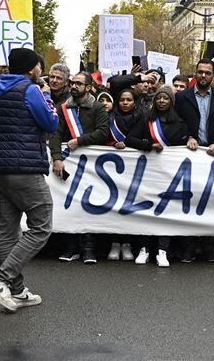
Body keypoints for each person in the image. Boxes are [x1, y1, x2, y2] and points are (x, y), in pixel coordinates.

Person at [0, 48, 58, 312]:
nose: (41, 70)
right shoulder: (32, 89)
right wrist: (47, 96)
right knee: (42, 225)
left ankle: (16, 290)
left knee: (9, 230)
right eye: (38, 65)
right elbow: (50, 123)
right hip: (24, 168)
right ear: (30, 67)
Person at [124, 85, 190, 267]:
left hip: (169, 174)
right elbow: (130, 139)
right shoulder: (146, 119)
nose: (161, 101)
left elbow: (185, 141)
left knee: (165, 211)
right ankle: (144, 249)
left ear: (171, 101)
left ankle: (162, 250)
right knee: (146, 210)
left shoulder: (179, 122)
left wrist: (191, 140)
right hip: (147, 172)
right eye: (159, 98)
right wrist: (148, 145)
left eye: (166, 98)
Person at [174, 59, 214, 262]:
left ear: (213, 76)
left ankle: (209, 247)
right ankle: (188, 247)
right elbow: (177, 122)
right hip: (190, 155)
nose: (204, 76)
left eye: (208, 73)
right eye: (200, 72)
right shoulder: (182, 97)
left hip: (212, 156)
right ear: (195, 74)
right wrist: (187, 137)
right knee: (189, 201)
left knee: (211, 202)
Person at [49, 71, 109, 264]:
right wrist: (57, 158)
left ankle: (89, 248)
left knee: (89, 204)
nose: (73, 86)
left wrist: (81, 140)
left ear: (89, 87)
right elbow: (56, 135)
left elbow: (102, 133)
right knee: (70, 204)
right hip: (70, 162)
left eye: (78, 84)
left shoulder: (98, 108)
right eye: (72, 83)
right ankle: (71, 247)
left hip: (91, 165)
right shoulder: (63, 108)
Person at [103, 88, 142, 262]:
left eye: (129, 100)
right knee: (113, 203)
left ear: (135, 102)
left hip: (135, 166)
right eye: (122, 100)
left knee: (130, 205)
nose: (125, 103)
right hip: (114, 166)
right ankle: (114, 243)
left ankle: (127, 243)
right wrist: (113, 144)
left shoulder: (141, 117)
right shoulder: (110, 118)